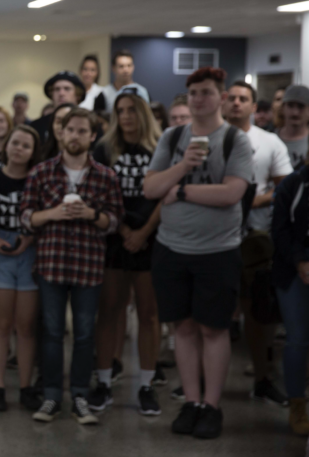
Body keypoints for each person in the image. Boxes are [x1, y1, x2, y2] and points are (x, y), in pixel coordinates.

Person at [144, 67, 251, 440]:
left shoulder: (234, 139)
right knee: (183, 328)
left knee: (214, 328)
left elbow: (231, 193)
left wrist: (184, 192)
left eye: (206, 93)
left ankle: (212, 405)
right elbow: (151, 188)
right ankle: (191, 402)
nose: (199, 99)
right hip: (172, 248)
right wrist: (183, 167)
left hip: (218, 251)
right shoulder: (174, 137)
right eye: (193, 94)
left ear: (221, 97)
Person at [20, 108, 123, 424]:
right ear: (61, 133)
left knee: (83, 334)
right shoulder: (41, 172)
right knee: (51, 333)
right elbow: (25, 218)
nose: (75, 136)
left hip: (88, 266)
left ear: (93, 136)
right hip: (51, 265)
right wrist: (51, 214)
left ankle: (80, 394)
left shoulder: (106, 175)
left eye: (82, 131)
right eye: (70, 130)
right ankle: (51, 395)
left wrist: (91, 214)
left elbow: (115, 221)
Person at [89, 92, 164, 416]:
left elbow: (168, 193)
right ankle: (104, 381)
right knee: (109, 312)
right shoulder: (104, 148)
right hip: (114, 237)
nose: (126, 116)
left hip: (151, 237)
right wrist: (123, 231)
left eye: (132, 110)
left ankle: (146, 385)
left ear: (143, 113)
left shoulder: (160, 146)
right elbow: (97, 194)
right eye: (120, 111)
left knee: (148, 315)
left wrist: (144, 232)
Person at [225, 80, 291, 405]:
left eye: (244, 99)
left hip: (257, 240)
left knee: (259, 313)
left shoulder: (270, 143)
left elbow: (285, 190)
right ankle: (205, 385)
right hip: (216, 238)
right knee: (215, 313)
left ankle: (263, 377)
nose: (237, 103)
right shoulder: (210, 139)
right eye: (232, 98)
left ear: (254, 106)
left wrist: (252, 200)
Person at [0, 125, 41, 412]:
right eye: (15, 143)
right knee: (1, 324)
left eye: (25, 146)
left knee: (26, 326)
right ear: (6, 146)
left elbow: (42, 218)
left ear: (32, 152)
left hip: (29, 255)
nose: (18, 149)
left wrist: (29, 239)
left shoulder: (37, 181)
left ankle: (26, 386)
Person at [271, 151, 309, 435]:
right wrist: (300, 261)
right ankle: (297, 404)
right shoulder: (293, 185)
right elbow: (280, 230)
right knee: (297, 340)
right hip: (294, 270)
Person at [31, 72, 84, 144]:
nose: (61, 93)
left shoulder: (89, 123)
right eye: (57, 89)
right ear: (51, 94)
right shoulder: (37, 126)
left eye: (67, 89)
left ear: (78, 94)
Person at [276, 85, 309, 170]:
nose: (295, 112)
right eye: (290, 105)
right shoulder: (270, 139)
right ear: (283, 108)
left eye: (301, 106)